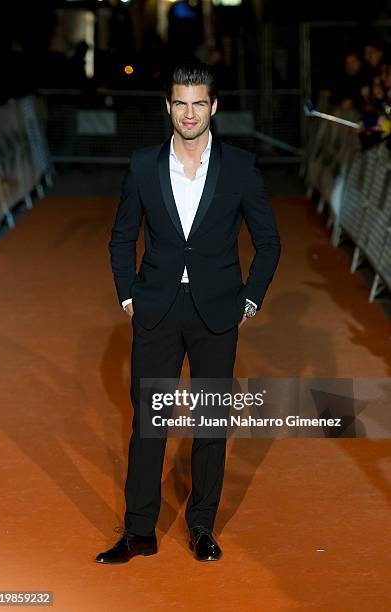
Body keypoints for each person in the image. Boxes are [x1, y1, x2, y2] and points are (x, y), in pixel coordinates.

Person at [95, 60, 281, 564]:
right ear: (169, 107)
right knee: (148, 424)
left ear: (214, 107)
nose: (190, 113)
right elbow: (121, 237)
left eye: (200, 103)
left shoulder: (239, 166)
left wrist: (250, 299)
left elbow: (268, 241)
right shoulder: (142, 165)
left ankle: (202, 526)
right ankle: (138, 532)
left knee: (211, 422)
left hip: (217, 313)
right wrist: (129, 297)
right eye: (181, 103)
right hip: (156, 310)